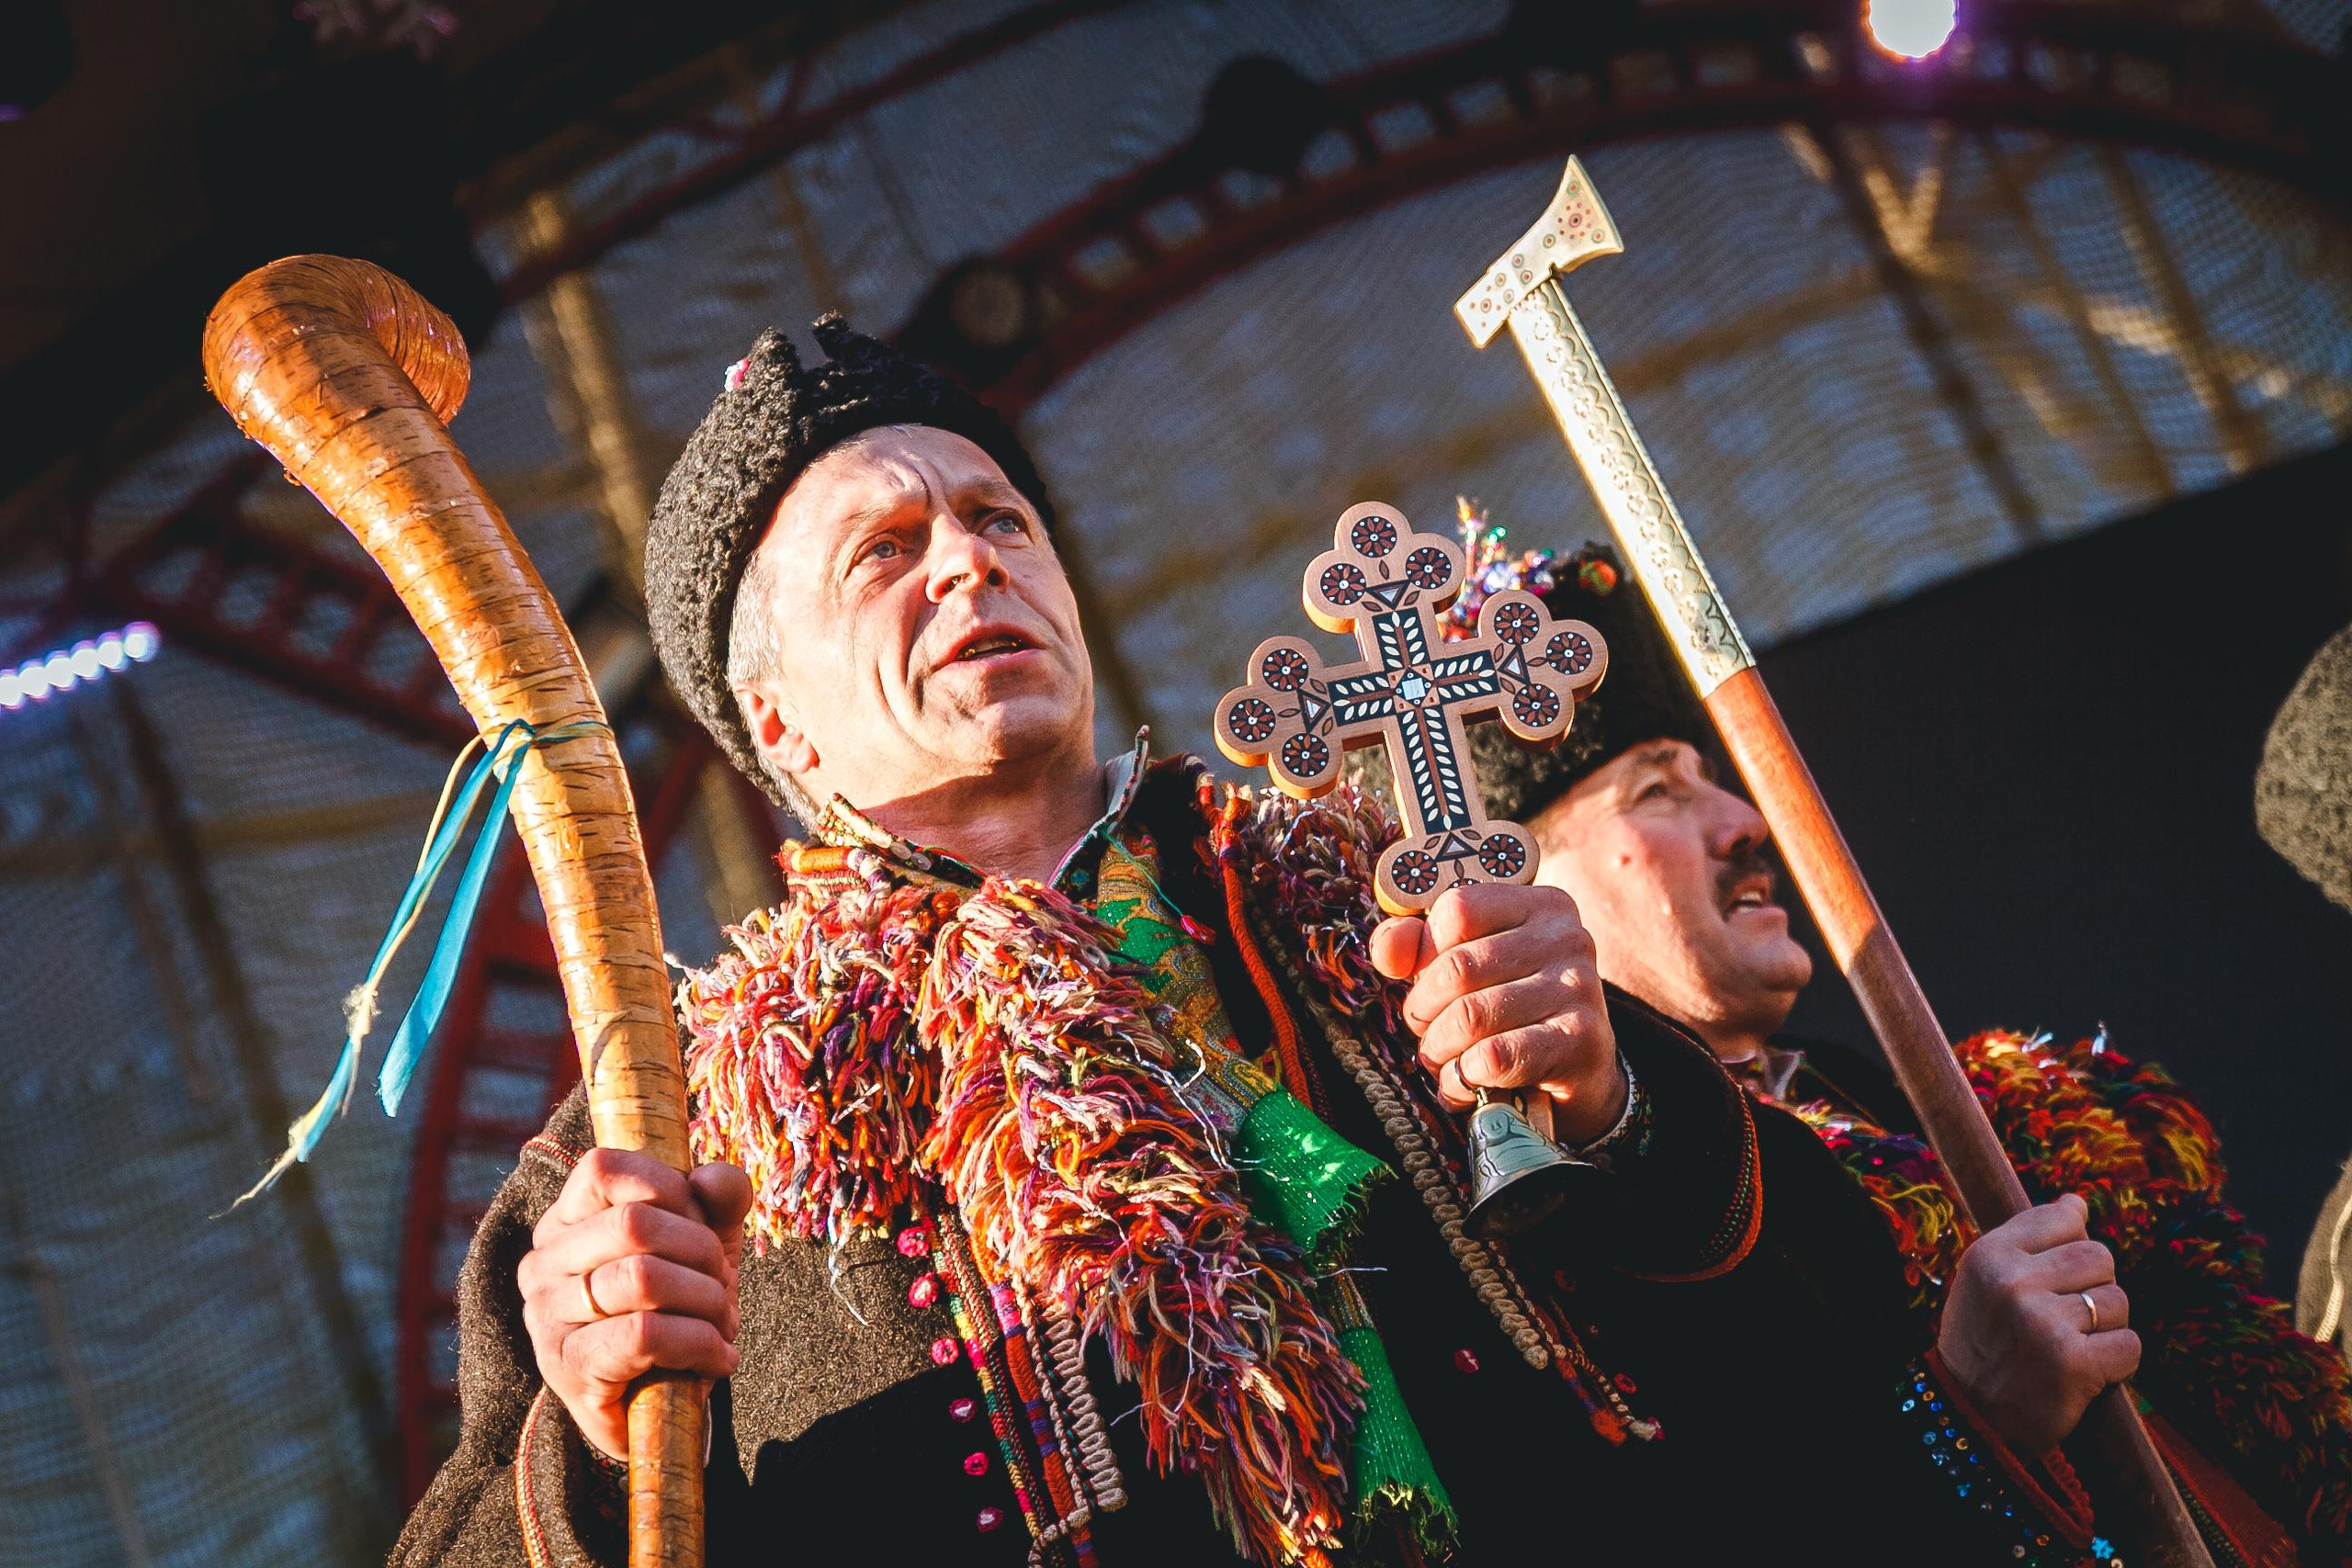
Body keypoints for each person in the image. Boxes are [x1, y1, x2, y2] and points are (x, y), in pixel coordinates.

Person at [398, 323, 2134, 1568]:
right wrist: (593, 1421)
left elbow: (1818, 1366)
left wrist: (1613, 1105)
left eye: (1000, 522)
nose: (967, 565)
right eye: (885, 551)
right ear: (772, 714)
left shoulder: (1371, 914)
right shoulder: (671, 1143)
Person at [1457, 520, 2352, 1566]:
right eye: (1658, 789)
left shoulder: (1985, 1121)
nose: (1746, 819)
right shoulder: (1557, 1260)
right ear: (1526, 899)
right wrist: (1966, 1414)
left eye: (1713, 776)